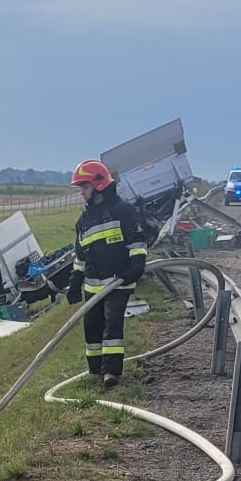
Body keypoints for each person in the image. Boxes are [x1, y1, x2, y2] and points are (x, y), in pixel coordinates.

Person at [68, 159, 151, 389]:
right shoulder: (83, 221)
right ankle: (96, 370)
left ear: (99, 185)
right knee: (91, 327)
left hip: (118, 281)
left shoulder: (122, 211)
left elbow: (137, 241)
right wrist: (74, 283)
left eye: (85, 187)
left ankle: (110, 372)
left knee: (112, 325)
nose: (82, 193)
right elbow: (80, 257)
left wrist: (137, 265)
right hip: (92, 285)